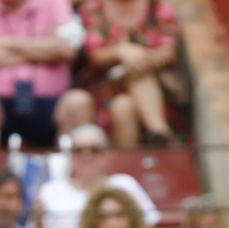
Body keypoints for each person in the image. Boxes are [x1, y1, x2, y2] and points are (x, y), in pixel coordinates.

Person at [0, 0, 88, 146]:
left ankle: (73, 167)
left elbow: (68, 49)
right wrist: (44, 50)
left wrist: (10, 43)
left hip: (51, 101)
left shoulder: (55, 3)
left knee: (78, 102)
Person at [33, 123, 158, 228]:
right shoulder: (50, 191)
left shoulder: (125, 185)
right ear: (70, 156)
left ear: (107, 155)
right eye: (79, 150)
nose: (87, 156)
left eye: (94, 150)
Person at [76, 0, 180, 147]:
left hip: (154, 90)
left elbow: (169, 52)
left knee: (125, 102)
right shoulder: (94, 8)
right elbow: (94, 56)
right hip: (106, 92)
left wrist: (139, 59)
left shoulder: (157, 7)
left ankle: (157, 136)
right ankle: (161, 133)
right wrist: (121, 51)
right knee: (123, 103)